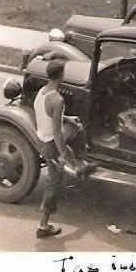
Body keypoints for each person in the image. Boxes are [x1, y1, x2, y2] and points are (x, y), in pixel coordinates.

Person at [33, 59, 96, 238]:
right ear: (61, 75)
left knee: (77, 128)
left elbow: (47, 115)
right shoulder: (58, 100)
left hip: (42, 138)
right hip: (51, 144)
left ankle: (79, 165)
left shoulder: (42, 92)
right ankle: (43, 226)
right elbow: (57, 133)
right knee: (54, 182)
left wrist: (68, 119)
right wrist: (62, 154)